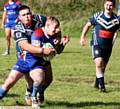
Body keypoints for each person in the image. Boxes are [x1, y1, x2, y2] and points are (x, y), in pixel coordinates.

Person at [0, 16, 69, 107]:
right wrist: (47, 52)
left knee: (44, 79)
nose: (57, 29)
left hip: (38, 62)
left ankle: (35, 96)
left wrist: (62, 44)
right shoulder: (37, 34)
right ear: (47, 25)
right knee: (9, 82)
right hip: (26, 60)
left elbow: (58, 51)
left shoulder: (54, 34)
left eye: (58, 27)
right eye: (55, 27)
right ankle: (33, 94)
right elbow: (35, 52)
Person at [80, 0, 119, 92]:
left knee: (103, 67)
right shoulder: (97, 16)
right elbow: (87, 25)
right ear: (104, 5)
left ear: (113, 7)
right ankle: (102, 87)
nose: (108, 7)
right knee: (98, 64)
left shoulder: (116, 20)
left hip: (108, 47)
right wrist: (82, 37)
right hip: (96, 44)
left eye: (111, 5)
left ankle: (97, 83)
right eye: (107, 5)